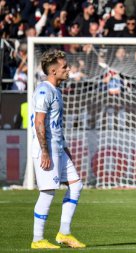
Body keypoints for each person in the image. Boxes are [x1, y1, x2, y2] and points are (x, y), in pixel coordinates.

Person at [30, 50, 86, 249]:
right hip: (47, 150)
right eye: (64, 67)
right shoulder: (44, 90)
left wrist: (65, 149)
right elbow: (39, 122)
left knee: (76, 185)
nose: (68, 69)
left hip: (59, 149)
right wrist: (45, 151)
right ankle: (37, 239)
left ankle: (64, 232)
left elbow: (55, 125)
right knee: (47, 192)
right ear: (53, 71)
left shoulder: (57, 91)